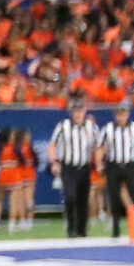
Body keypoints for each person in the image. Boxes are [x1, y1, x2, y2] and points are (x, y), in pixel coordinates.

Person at [98, 103, 134, 241]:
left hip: (130, 165)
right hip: (113, 165)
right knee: (113, 197)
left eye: (123, 114)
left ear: (127, 115)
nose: (120, 117)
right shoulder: (108, 129)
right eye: (118, 115)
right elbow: (100, 148)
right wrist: (99, 163)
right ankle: (116, 228)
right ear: (115, 115)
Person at [47, 102, 95, 238]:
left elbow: (97, 146)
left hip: (84, 166)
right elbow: (52, 145)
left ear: (85, 111)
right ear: (71, 113)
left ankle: (82, 229)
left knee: (83, 199)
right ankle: (71, 228)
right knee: (70, 196)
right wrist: (54, 161)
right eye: (76, 111)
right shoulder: (63, 126)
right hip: (68, 167)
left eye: (80, 111)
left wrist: (98, 162)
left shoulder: (91, 127)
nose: (78, 114)